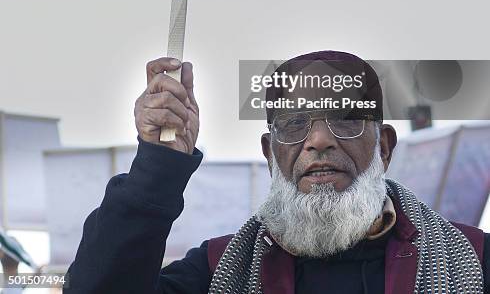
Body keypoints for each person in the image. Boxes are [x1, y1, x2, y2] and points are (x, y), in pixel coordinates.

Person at [65, 51, 490, 293]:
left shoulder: (474, 260)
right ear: (271, 155)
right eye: (293, 124)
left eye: (344, 119)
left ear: (383, 147)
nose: (318, 140)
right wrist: (156, 169)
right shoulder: (218, 270)